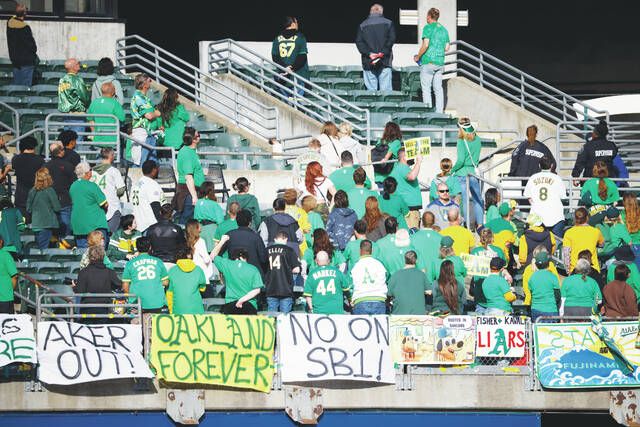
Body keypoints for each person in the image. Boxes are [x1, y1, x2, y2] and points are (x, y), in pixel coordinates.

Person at [212, 235, 264, 315]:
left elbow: (212, 256)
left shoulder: (227, 264)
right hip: (249, 306)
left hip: (230, 306)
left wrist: (222, 241)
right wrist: (241, 300)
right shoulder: (253, 269)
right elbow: (257, 290)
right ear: (245, 257)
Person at [414, 7, 449, 112]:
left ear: (429, 16)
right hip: (440, 62)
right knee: (438, 89)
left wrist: (418, 56)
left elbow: (425, 45)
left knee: (426, 89)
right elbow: (447, 47)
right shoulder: (444, 29)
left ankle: (428, 112)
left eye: (426, 16)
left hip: (428, 61)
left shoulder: (428, 27)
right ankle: (439, 112)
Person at [121, 236, 168, 314]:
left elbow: (125, 286)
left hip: (137, 302)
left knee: (137, 324)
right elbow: (166, 282)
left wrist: (131, 299)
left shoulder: (130, 263)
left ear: (137, 247)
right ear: (150, 248)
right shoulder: (158, 261)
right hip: (156, 302)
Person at [75, 245, 121, 323]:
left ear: (89, 257)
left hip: (87, 309)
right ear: (103, 257)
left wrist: (74, 287)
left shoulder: (83, 272)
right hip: (105, 308)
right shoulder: (109, 271)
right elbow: (118, 285)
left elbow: (80, 291)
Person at [524, 156, 567, 238]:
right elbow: (563, 197)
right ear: (551, 166)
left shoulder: (533, 178)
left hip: (537, 217)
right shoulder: (557, 178)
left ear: (539, 166)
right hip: (555, 216)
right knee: (556, 245)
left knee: (537, 246)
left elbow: (529, 198)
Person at [355, 3, 396, 91]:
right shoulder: (389, 23)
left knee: (371, 93)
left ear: (370, 12)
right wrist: (382, 53)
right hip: (385, 60)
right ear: (381, 12)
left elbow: (359, 42)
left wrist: (369, 54)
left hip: (368, 61)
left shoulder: (362, 25)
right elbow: (392, 39)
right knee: (385, 92)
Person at [452, 117, 483, 228]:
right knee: (477, 200)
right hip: (473, 173)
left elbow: (460, 160)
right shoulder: (478, 139)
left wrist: (452, 170)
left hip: (462, 174)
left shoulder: (461, 141)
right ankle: (480, 225)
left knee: (464, 201)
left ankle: (466, 225)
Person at [70, 162, 108, 248]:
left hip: (78, 225)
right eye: (91, 169)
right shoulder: (92, 186)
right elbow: (104, 204)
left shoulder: (73, 186)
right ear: (87, 173)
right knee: (99, 254)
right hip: (95, 224)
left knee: (83, 255)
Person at [221, 209, 268, 277]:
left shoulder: (229, 235)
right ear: (250, 222)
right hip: (252, 274)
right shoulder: (256, 237)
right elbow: (263, 259)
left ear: (237, 221)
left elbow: (218, 253)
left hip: (235, 273)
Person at [271, 16, 309, 97]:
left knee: (285, 103)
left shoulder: (277, 38)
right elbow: (302, 57)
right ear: (292, 24)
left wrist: (285, 68)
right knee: (296, 105)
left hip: (282, 77)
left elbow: (275, 57)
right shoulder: (300, 37)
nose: (297, 24)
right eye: (296, 22)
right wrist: (291, 68)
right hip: (297, 77)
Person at [304, 250, 350, 315]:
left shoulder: (311, 274)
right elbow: (346, 290)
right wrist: (350, 300)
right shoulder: (338, 272)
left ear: (316, 261)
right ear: (329, 261)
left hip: (318, 312)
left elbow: (308, 295)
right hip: (337, 311)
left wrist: (311, 309)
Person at [265, 231, 302, 313]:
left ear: (275, 239)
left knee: (271, 315)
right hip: (285, 287)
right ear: (286, 239)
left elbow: (263, 267)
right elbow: (297, 269)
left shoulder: (267, 250)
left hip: (271, 287)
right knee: (284, 318)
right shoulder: (289, 250)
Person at [91, 148, 126, 234]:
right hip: (112, 206)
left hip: (96, 206)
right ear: (110, 156)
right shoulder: (113, 171)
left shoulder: (92, 171)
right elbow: (121, 190)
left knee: (98, 236)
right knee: (111, 236)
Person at [174, 127, 205, 224]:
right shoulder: (187, 153)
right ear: (194, 139)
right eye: (198, 135)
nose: (200, 137)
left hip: (191, 191)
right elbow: (188, 177)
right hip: (188, 193)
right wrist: (194, 196)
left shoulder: (191, 151)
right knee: (186, 222)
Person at [45, 141, 75, 237]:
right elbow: (74, 183)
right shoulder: (68, 166)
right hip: (64, 200)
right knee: (65, 229)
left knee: (51, 228)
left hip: (49, 200)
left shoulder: (45, 167)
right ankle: (64, 248)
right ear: (61, 152)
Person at [130, 73, 162, 165]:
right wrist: (157, 113)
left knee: (150, 164)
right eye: (149, 80)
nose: (151, 82)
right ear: (144, 85)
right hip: (142, 133)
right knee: (142, 163)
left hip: (148, 133)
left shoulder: (144, 97)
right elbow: (149, 115)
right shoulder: (139, 97)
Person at [166, 245, 207, 315]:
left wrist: (171, 310)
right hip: (196, 311)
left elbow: (169, 293)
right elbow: (203, 288)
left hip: (178, 311)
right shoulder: (198, 270)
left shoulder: (172, 271)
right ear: (190, 255)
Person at [26, 167, 61, 250]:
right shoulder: (50, 190)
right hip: (46, 224)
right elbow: (57, 208)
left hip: (36, 224)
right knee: (43, 250)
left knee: (40, 248)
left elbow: (28, 209)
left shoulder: (32, 191)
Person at [350, 240, 388, 314]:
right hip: (379, 299)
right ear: (372, 250)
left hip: (361, 300)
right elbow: (386, 277)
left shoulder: (356, 266)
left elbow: (351, 284)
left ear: (360, 250)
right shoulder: (379, 264)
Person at [563, 208, 605, 273]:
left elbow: (566, 254)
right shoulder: (596, 231)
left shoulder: (569, 232)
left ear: (575, 218)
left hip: (575, 268)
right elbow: (602, 244)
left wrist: (568, 271)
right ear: (587, 218)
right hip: (593, 268)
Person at [11, 136, 44, 218]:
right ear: (34, 146)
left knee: (22, 225)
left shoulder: (16, 159)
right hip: (36, 196)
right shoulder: (40, 160)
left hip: (20, 196)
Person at [388, 250, 430, 315]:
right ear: (416, 260)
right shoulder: (421, 274)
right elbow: (429, 292)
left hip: (399, 314)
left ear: (405, 260)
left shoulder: (396, 275)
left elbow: (388, 294)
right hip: (418, 314)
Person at [57, 58, 90, 138]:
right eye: (77, 64)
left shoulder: (62, 80)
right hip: (77, 114)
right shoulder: (77, 79)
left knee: (68, 141)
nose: (79, 65)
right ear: (73, 67)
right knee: (77, 140)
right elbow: (84, 96)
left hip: (66, 114)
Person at [390, 149, 422, 228]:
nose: (413, 157)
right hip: (409, 210)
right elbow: (412, 177)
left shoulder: (398, 167)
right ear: (404, 157)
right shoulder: (402, 167)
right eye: (411, 155)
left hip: (406, 208)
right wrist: (418, 162)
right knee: (412, 235)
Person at [6, 3, 37, 86]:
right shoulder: (25, 27)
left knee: (17, 87)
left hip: (15, 61)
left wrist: (18, 11)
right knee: (25, 89)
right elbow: (32, 46)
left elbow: (13, 17)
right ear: (24, 13)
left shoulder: (9, 23)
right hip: (27, 61)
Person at [131, 160, 165, 234]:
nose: (158, 170)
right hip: (150, 226)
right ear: (154, 170)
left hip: (139, 226)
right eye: (157, 168)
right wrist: (162, 225)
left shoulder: (136, 183)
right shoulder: (151, 184)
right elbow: (155, 206)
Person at [87, 82, 125, 146]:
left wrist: (94, 133)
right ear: (113, 92)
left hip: (97, 139)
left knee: (99, 155)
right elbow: (122, 119)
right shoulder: (115, 103)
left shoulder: (94, 102)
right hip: (111, 140)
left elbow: (90, 119)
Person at [528, 251, 561, 322]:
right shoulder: (553, 277)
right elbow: (557, 296)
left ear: (536, 264)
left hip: (536, 310)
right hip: (551, 310)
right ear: (548, 264)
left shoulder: (532, 277)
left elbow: (531, 294)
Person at [194, 181, 224, 251]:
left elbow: (195, 218)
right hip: (212, 230)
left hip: (200, 230)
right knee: (212, 252)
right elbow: (220, 221)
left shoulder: (198, 203)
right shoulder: (214, 204)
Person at [185, 219, 213, 284]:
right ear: (196, 228)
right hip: (201, 274)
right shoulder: (200, 241)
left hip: (190, 273)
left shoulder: (186, 241)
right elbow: (206, 259)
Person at [0, 237, 17, 314]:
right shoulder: (6, 255)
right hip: (5, 298)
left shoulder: (5, 255)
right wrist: (10, 290)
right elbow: (14, 276)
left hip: (5, 297)